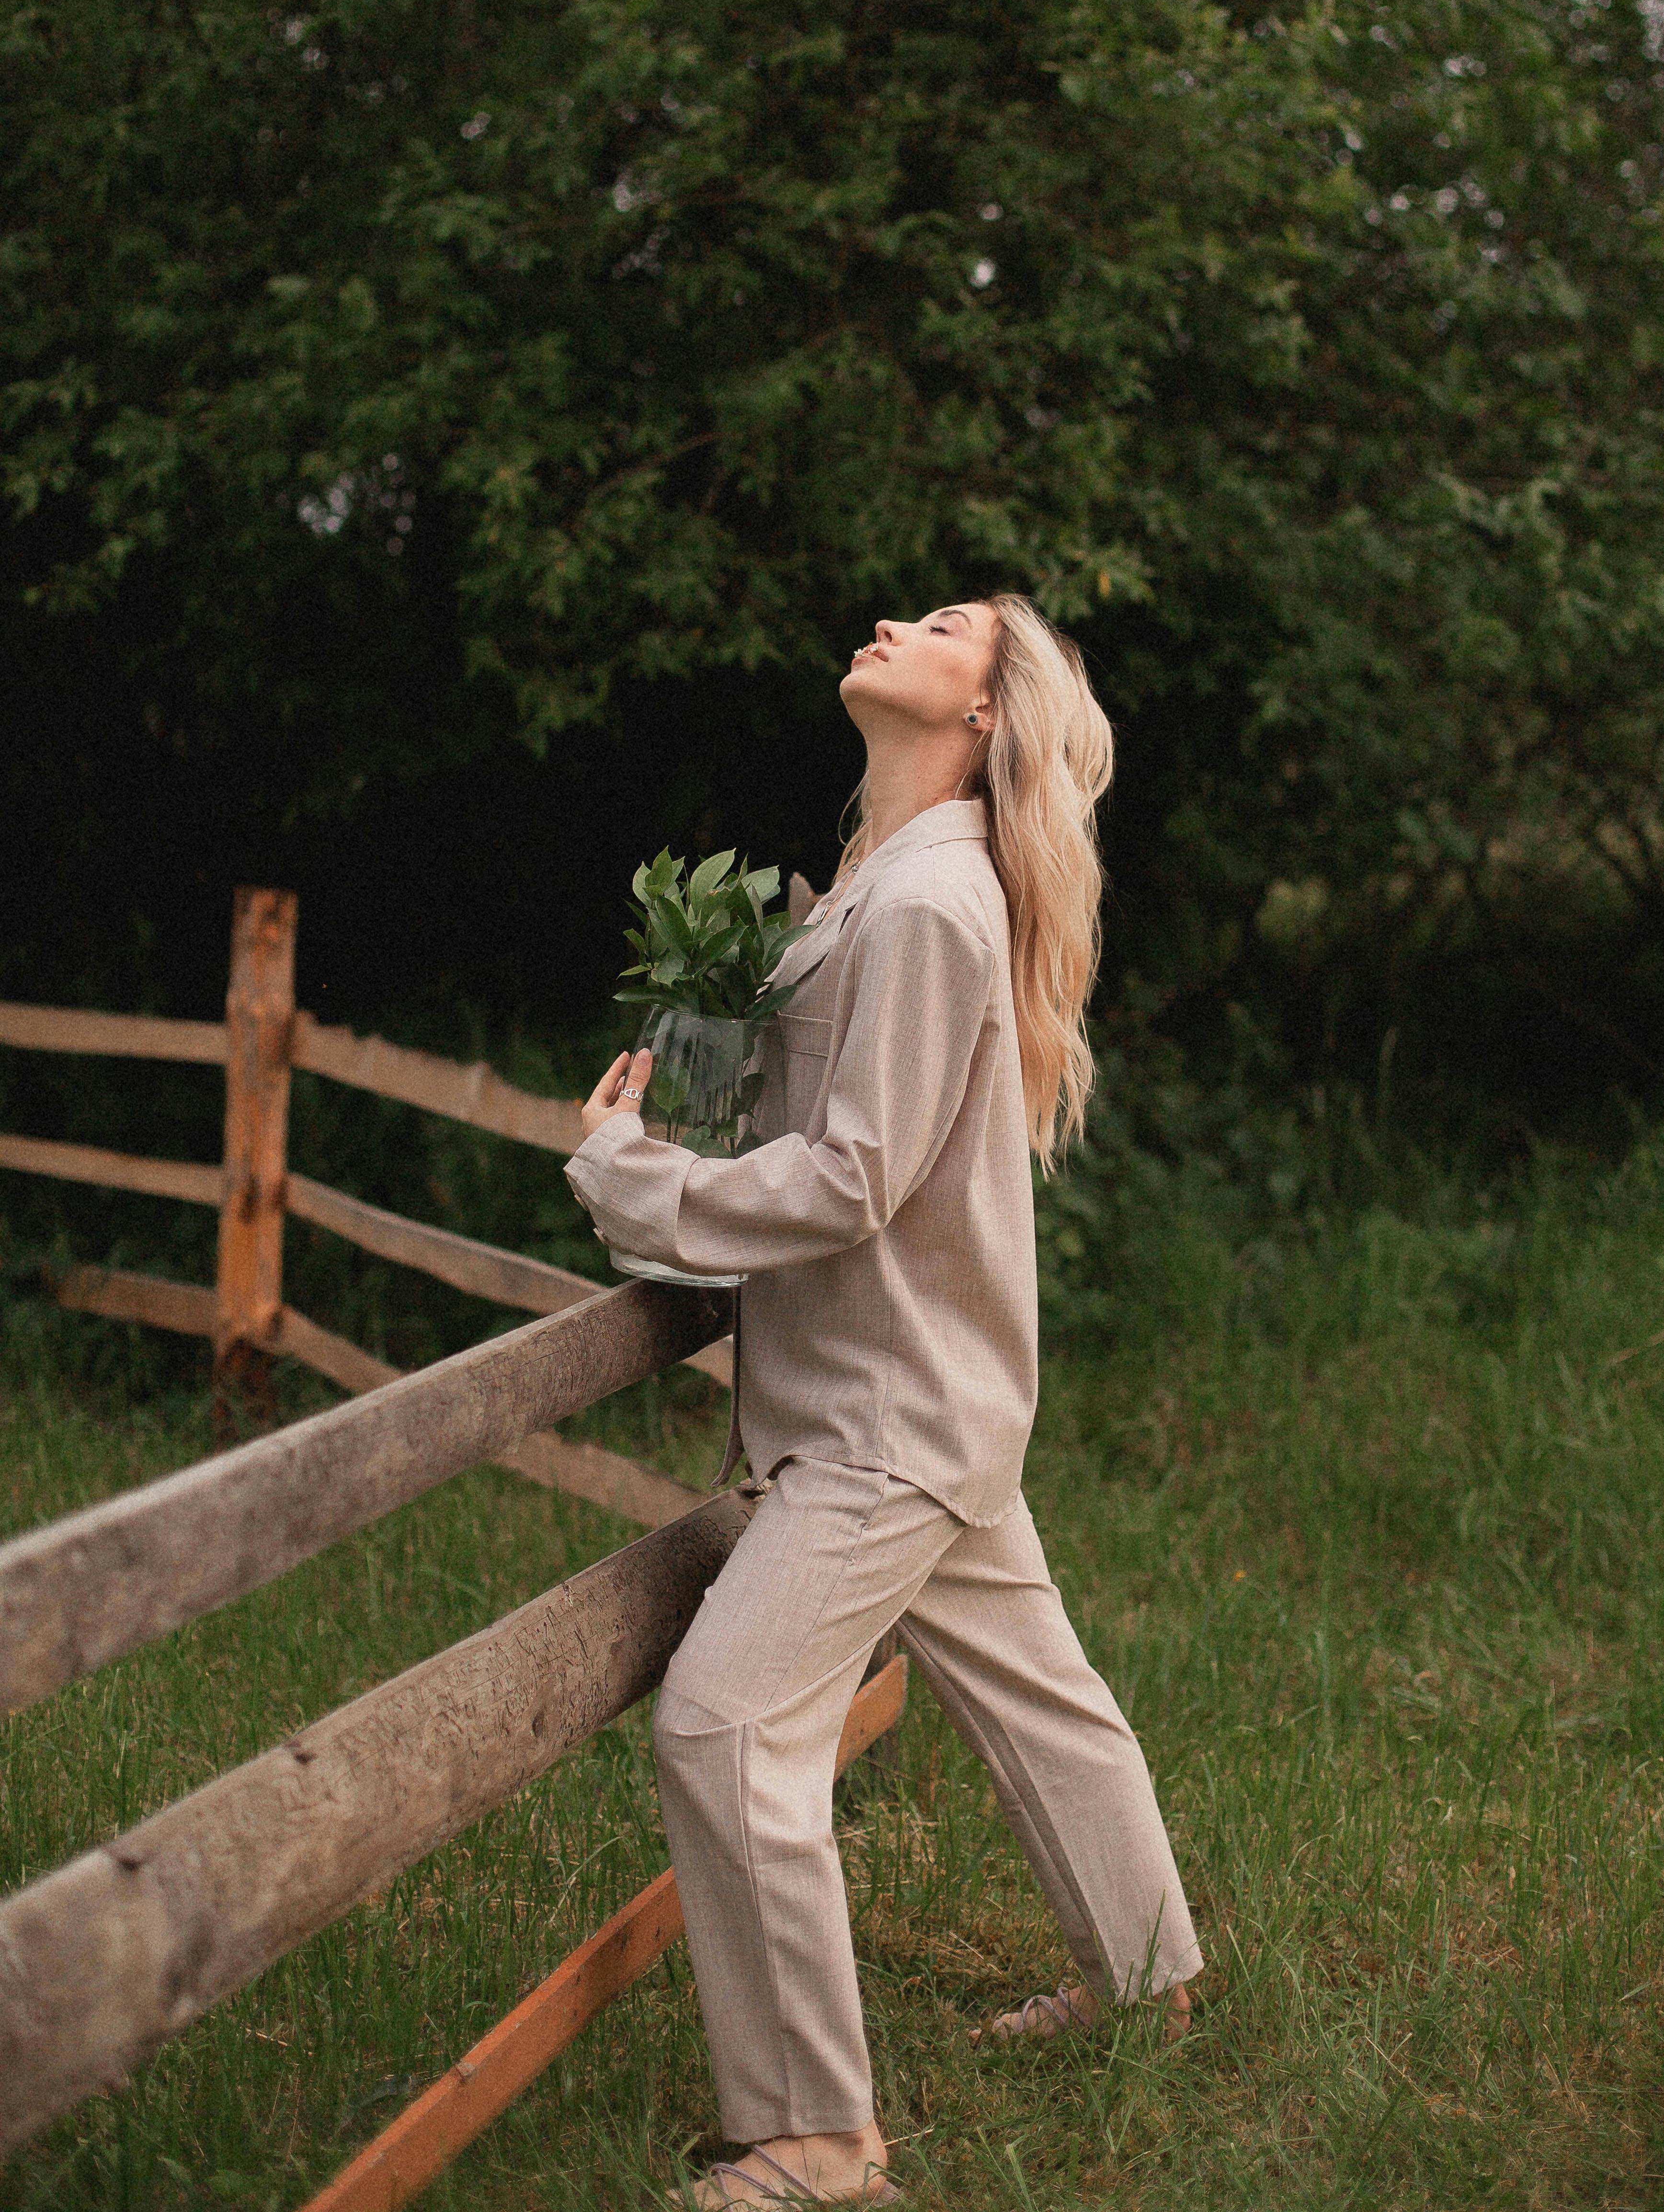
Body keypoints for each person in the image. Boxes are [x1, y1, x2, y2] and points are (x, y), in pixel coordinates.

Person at [568, 596, 1202, 2208]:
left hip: (891, 1422)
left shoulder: (929, 903)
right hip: (933, 1392)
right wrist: (694, 1086)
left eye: (938, 627)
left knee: (725, 1727)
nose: (888, 623)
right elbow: (824, 1122)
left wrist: (642, 1192)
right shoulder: (879, 883)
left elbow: (855, 1176)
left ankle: (813, 2144)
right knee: (1039, 1697)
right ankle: (1147, 1980)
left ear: (987, 713)